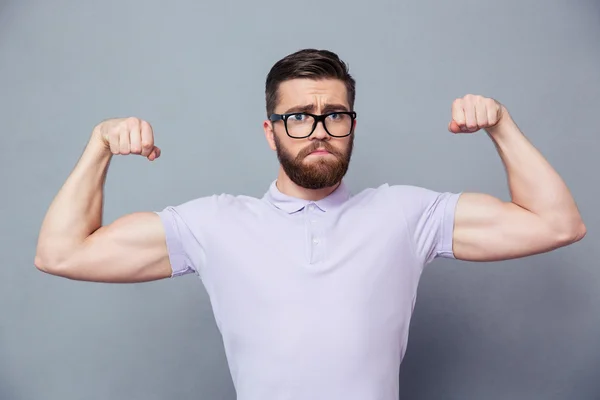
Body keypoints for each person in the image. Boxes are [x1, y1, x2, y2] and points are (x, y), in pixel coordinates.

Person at [34, 49, 586, 399]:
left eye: (335, 115)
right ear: (271, 131)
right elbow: (61, 253)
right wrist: (98, 147)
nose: (318, 130)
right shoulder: (214, 224)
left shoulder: (406, 215)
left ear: (351, 124)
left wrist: (503, 127)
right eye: (299, 117)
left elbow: (556, 224)